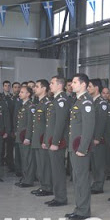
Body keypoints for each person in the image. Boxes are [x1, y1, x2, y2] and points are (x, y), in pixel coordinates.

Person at [64, 74, 95, 220]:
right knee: (76, 179)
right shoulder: (78, 101)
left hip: (80, 149)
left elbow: (88, 127)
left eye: (75, 82)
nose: (72, 84)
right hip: (74, 147)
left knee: (81, 179)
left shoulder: (86, 102)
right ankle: (79, 208)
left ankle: (83, 211)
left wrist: (82, 148)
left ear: (83, 84)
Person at [44, 76, 70, 207]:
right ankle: (57, 195)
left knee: (58, 170)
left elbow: (60, 123)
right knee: (54, 170)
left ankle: (61, 198)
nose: (50, 85)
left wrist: (55, 142)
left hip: (57, 142)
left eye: (52, 83)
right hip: (52, 140)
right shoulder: (56, 99)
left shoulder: (61, 100)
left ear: (60, 85)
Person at [30, 80, 52, 196]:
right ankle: (43, 185)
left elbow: (49, 124)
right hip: (37, 139)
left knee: (45, 165)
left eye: (37, 87)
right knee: (40, 165)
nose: (34, 89)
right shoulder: (39, 102)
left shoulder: (47, 103)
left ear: (44, 89)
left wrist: (46, 140)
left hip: (43, 140)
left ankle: (47, 187)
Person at [88, 79, 110, 195]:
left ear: (96, 88)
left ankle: (99, 185)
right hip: (92, 137)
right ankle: (95, 183)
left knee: (99, 162)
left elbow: (101, 122)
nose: (88, 88)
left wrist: (97, 137)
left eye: (90, 86)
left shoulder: (101, 103)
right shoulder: (92, 101)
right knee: (94, 162)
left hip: (99, 139)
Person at [14, 85, 36, 188]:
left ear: (28, 94)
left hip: (26, 138)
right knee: (23, 159)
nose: (20, 93)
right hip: (21, 137)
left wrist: (27, 137)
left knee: (28, 159)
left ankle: (28, 180)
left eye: (22, 92)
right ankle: (24, 178)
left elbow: (30, 123)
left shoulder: (30, 106)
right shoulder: (23, 105)